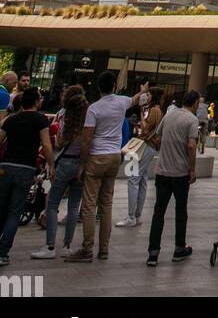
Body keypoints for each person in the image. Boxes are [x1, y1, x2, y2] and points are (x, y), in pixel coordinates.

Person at [67, 70, 132, 263]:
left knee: (88, 205)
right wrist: (144, 90)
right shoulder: (122, 102)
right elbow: (138, 99)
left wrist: (81, 164)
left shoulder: (94, 109)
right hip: (114, 156)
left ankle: (87, 248)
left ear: (98, 87)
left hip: (97, 157)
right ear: (114, 86)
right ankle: (104, 249)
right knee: (106, 204)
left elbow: (86, 140)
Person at [0, 85, 55, 265]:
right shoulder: (40, 120)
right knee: (15, 212)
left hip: (6, 166)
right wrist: (51, 165)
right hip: (26, 168)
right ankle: (2, 253)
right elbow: (46, 145)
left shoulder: (10, 119)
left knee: (1, 209)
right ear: (36, 102)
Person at [32, 84, 88, 260]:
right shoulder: (88, 123)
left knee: (53, 204)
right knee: (73, 206)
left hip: (65, 163)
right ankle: (68, 245)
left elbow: (59, 143)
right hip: (81, 164)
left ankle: (50, 246)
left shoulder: (67, 120)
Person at [145, 90, 200, 267]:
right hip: (180, 173)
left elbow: (157, 138)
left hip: (163, 171)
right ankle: (179, 248)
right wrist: (192, 169)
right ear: (196, 103)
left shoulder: (169, 115)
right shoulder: (192, 120)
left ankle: (153, 253)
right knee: (180, 211)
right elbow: (191, 145)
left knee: (158, 212)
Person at [116, 84, 164, 229]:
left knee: (133, 179)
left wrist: (142, 112)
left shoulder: (153, 110)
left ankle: (131, 216)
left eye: (148, 95)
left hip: (144, 145)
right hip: (147, 146)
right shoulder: (156, 110)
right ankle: (136, 215)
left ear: (153, 97)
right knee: (141, 180)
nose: (146, 97)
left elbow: (145, 127)